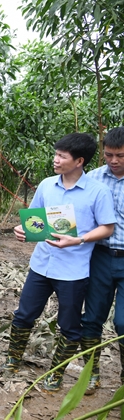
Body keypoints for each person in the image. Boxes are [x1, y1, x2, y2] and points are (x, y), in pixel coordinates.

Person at [0, 133, 115, 392]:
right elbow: (35, 220)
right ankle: (12, 360)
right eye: (56, 154)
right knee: (24, 314)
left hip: (73, 270)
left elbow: (107, 228)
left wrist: (79, 239)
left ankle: (56, 373)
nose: (56, 160)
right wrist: (22, 229)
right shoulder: (47, 185)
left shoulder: (98, 192)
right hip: (41, 263)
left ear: (79, 161)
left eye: (62, 156)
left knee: (69, 324)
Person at [80, 127, 124, 394]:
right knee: (92, 318)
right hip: (101, 257)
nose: (114, 160)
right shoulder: (93, 179)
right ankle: (90, 374)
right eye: (108, 154)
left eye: (120, 155)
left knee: (123, 323)